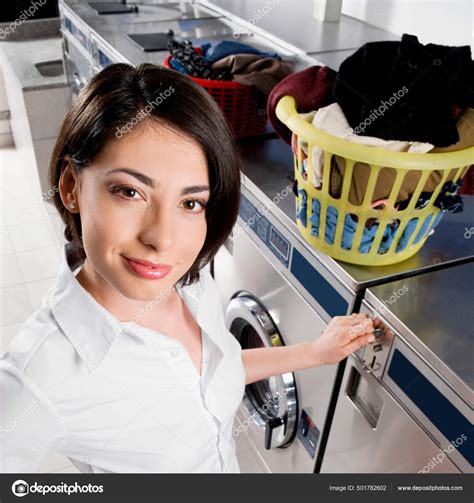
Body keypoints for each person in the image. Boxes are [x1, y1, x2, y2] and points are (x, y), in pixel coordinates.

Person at [0, 63, 379, 473]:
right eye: (130, 192)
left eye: (190, 203)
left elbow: (214, 368)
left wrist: (315, 353)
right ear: (71, 187)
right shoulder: (40, 374)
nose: (162, 240)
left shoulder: (191, 284)